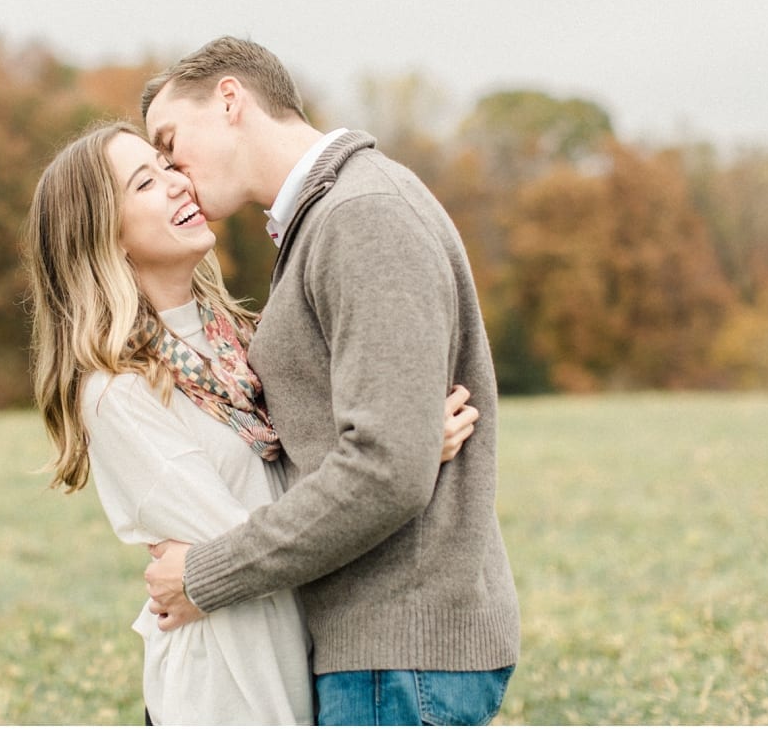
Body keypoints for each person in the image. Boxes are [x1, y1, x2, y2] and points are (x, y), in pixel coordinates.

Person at [23, 120, 480, 725]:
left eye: (168, 168)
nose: (178, 184)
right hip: (226, 687)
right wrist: (395, 455)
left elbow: (276, 522)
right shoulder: (119, 391)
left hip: (300, 655)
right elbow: (250, 547)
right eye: (145, 183)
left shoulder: (242, 341)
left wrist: (396, 444)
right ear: (103, 234)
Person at [140, 36, 521, 726]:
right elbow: (377, 448)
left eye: (171, 143)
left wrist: (208, 574)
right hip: (378, 651)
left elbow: (386, 469)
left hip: (398, 655)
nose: (173, 173)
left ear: (231, 99)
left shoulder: (360, 214)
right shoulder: (325, 220)